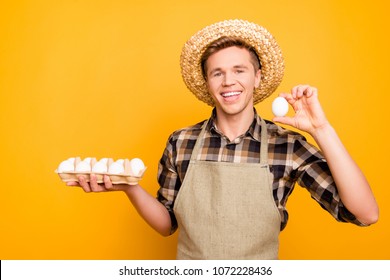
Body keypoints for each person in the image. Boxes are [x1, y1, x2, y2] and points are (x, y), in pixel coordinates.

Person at [67, 19, 379, 259]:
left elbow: (365, 214)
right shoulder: (181, 142)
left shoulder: (287, 146)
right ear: (207, 82)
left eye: (239, 70)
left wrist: (322, 130)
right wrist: (130, 189)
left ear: (257, 77)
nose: (228, 80)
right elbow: (167, 224)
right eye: (217, 73)